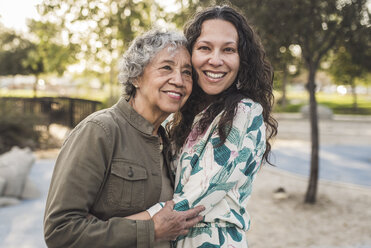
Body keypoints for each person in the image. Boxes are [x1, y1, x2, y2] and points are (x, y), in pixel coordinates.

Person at [43, 29, 205, 248]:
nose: (178, 80)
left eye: (187, 73)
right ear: (136, 76)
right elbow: (60, 231)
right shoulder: (100, 131)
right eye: (166, 67)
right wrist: (151, 230)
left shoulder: (168, 142)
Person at [145, 5, 278, 247]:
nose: (215, 60)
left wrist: (119, 226)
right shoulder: (188, 117)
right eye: (205, 48)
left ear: (242, 60)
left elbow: (191, 200)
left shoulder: (244, 112)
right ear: (189, 54)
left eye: (228, 50)